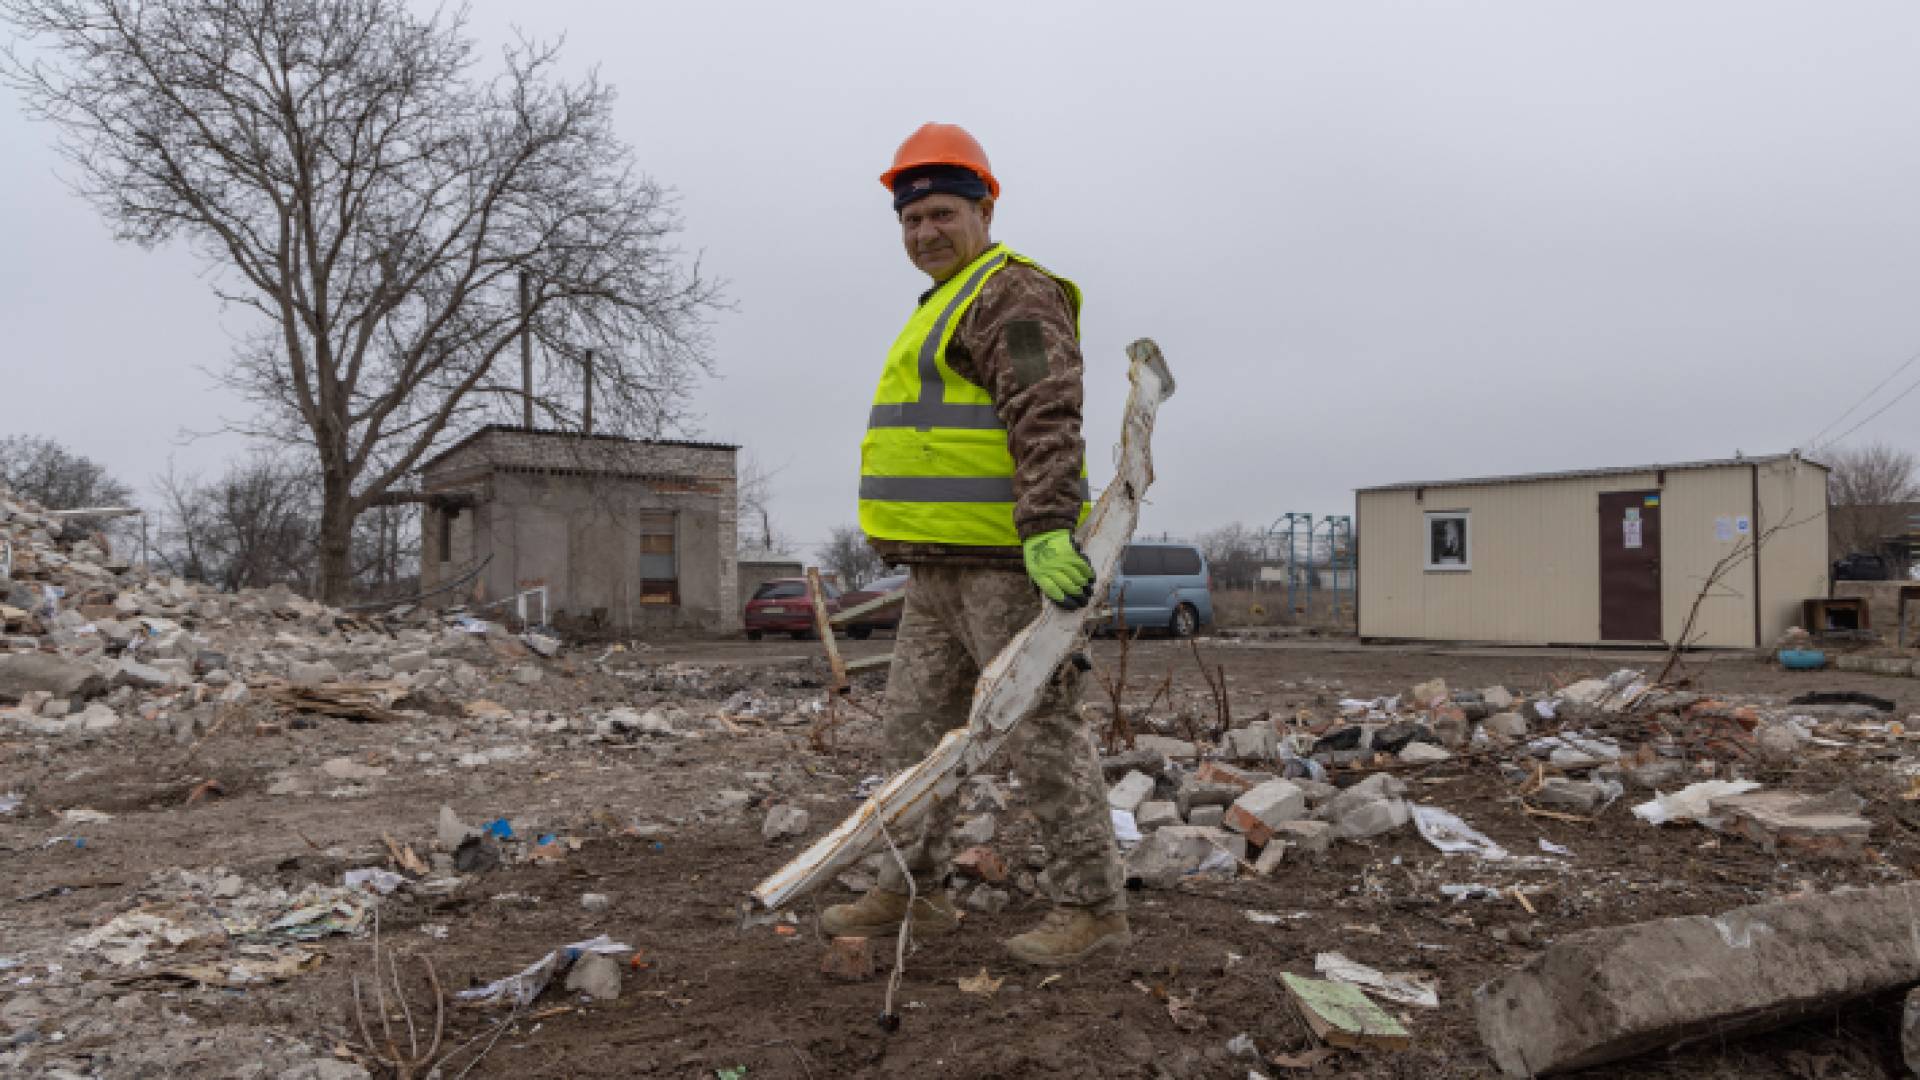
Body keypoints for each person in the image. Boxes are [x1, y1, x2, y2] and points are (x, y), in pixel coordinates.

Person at [818, 123, 1129, 967]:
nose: (925, 234)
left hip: (1006, 570)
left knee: (1042, 734)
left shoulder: (1012, 295)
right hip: (936, 573)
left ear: (986, 208)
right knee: (912, 741)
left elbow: (1047, 415)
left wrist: (1046, 534)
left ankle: (1092, 906)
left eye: (943, 214)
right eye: (911, 221)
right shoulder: (946, 302)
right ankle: (907, 889)